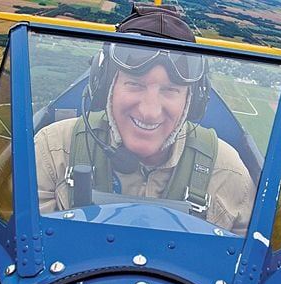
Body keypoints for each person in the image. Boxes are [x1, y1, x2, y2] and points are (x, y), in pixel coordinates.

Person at [34, 4, 255, 234]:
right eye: (134, 84)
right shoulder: (53, 150)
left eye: (170, 90)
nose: (150, 112)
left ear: (192, 101)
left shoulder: (229, 174)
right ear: (105, 86)